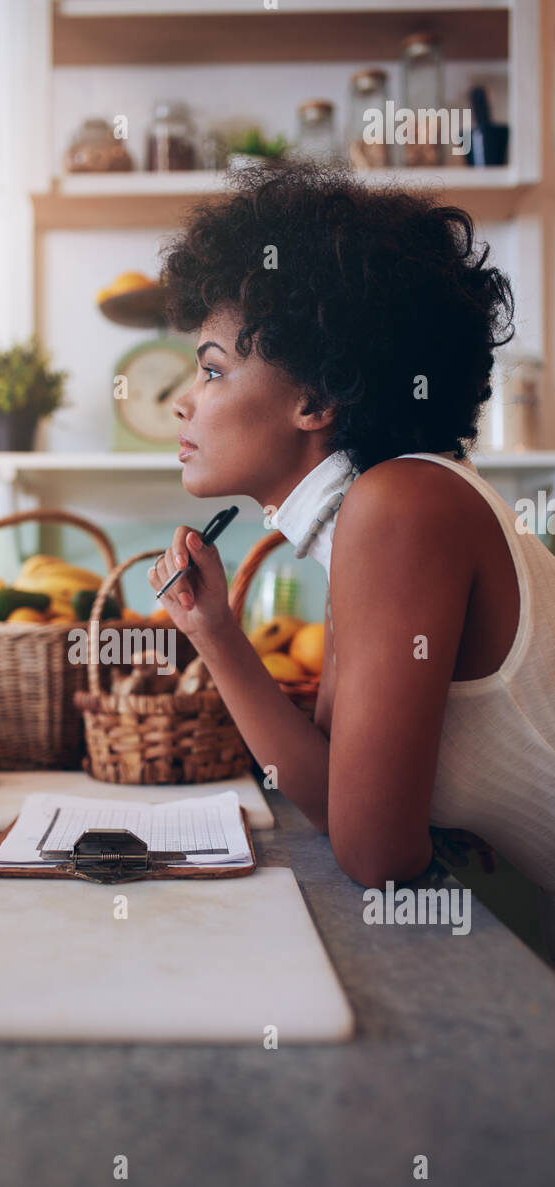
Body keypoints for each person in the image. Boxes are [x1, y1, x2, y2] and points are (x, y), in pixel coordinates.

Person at [148, 159, 555, 941]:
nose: (182, 400)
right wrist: (216, 633)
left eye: (212, 370)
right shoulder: (378, 511)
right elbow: (339, 798)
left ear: (318, 398)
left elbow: (376, 854)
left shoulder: (401, 507)